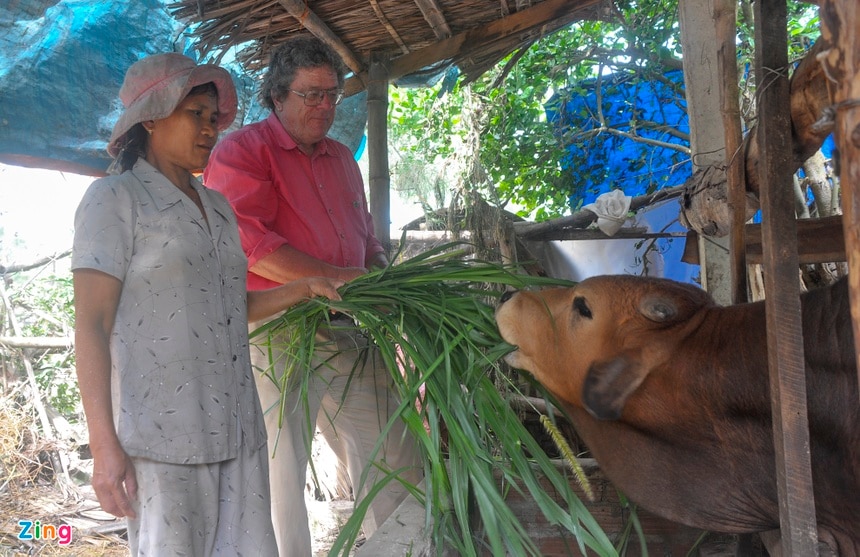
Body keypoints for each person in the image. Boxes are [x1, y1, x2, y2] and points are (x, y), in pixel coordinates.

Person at [72, 52, 344, 556]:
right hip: (163, 440)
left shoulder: (217, 207)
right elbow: (91, 323)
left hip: (239, 431)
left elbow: (226, 306)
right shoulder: (114, 199)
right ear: (150, 117)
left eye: (213, 117)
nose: (210, 129)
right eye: (194, 114)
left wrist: (304, 288)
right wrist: (103, 445)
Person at [203, 36, 422, 555]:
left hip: (345, 323)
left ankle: (399, 547)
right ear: (277, 97)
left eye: (332, 94)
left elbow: (365, 239)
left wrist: (382, 274)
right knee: (281, 463)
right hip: (274, 328)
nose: (325, 106)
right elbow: (249, 243)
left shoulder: (342, 158)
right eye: (310, 95)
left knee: (394, 446)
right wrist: (333, 279)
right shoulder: (242, 151)